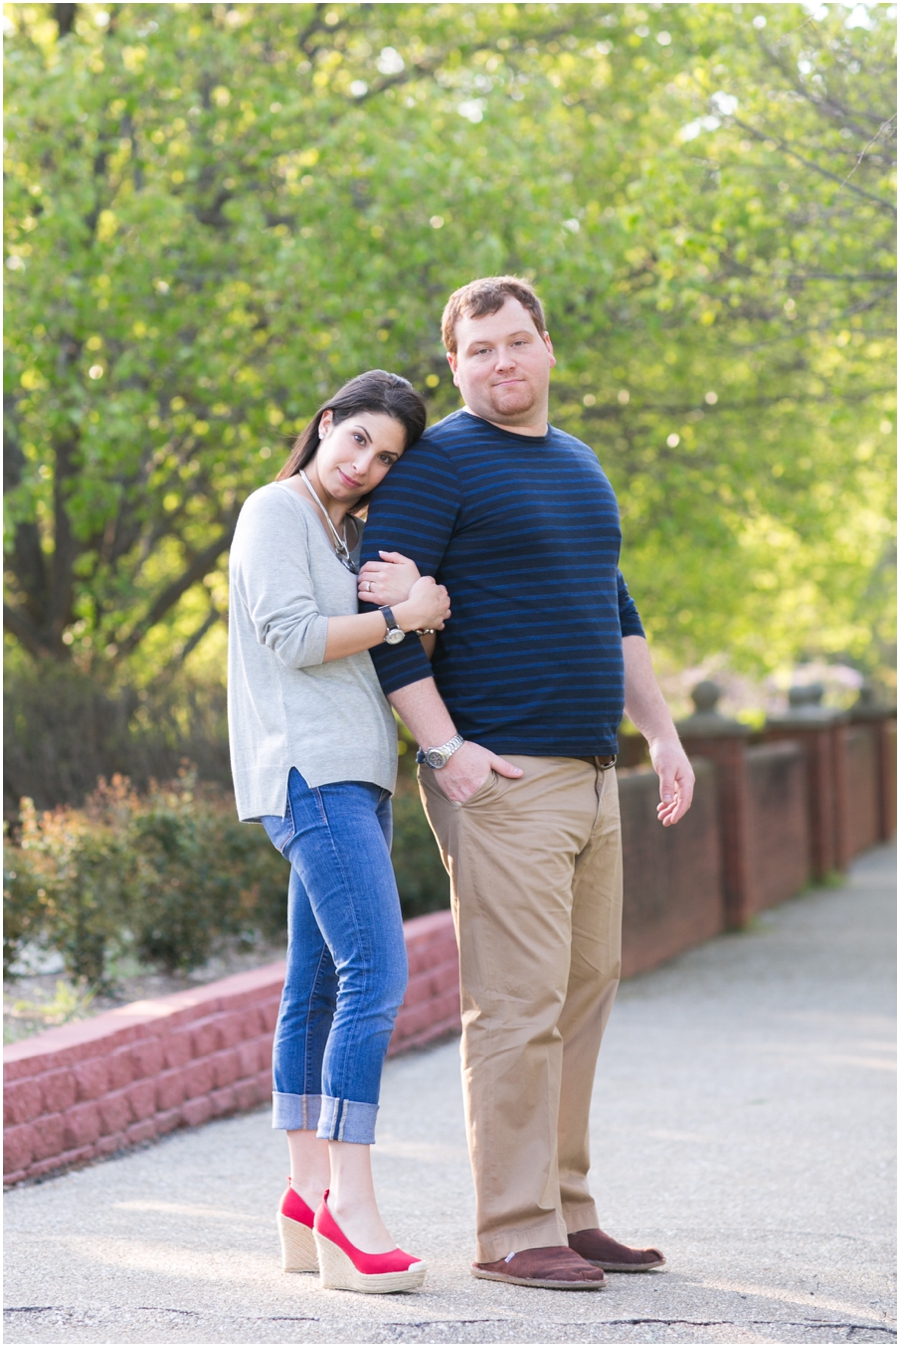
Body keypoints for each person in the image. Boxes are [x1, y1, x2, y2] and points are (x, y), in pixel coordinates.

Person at [357, 278, 695, 1291]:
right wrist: (442, 749)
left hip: (593, 772)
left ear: (548, 348)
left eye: (517, 343)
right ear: (453, 366)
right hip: (503, 777)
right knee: (515, 1005)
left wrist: (663, 735)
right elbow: (386, 617)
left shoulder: (581, 465)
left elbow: (615, 607)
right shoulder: (437, 466)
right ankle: (511, 1228)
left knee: (583, 993)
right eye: (479, 351)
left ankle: (566, 1207)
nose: (502, 364)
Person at [227, 369, 450, 1294]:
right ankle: (348, 1209)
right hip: (309, 773)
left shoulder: (343, 531)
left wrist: (407, 611)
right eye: (358, 439)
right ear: (326, 424)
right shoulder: (276, 510)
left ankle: (301, 1193)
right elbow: (289, 635)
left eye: (385, 457)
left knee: (315, 985)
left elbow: (368, 652)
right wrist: (400, 613)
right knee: (377, 973)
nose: (366, 464)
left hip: (354, 776)